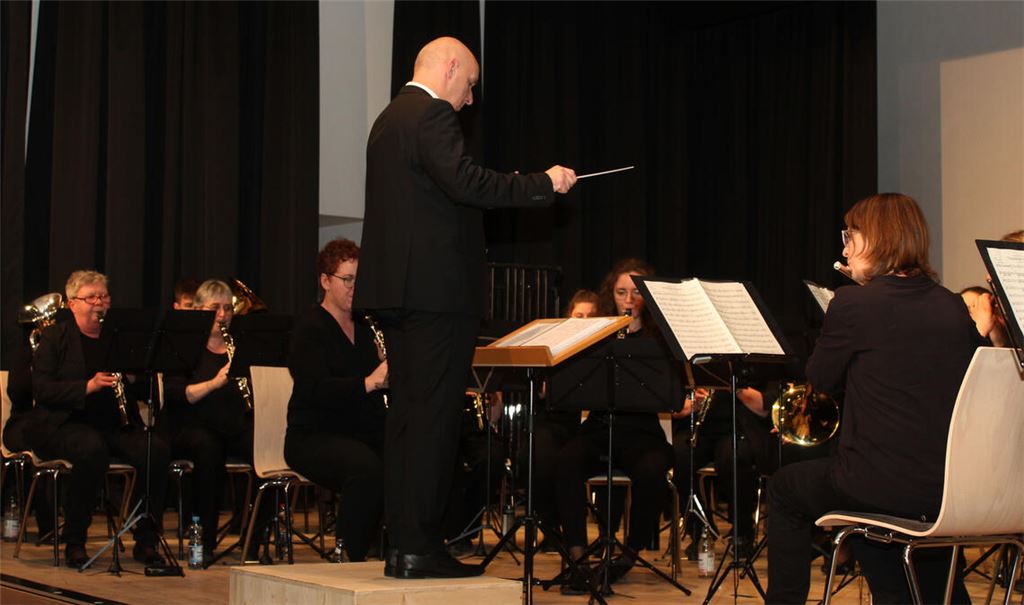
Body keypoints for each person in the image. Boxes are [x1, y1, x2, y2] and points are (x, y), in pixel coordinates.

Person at [353, 36, 577, 579]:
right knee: (432, 423)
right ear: (451, 68)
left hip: (400, 294)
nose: (470, 100)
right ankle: (419, 549)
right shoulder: (430, 114)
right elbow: (467, 182)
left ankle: (403, 542)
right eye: (470, 85)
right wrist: (540, 184)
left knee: (408, 420)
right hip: (434, 295)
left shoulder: (387, 120)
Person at [765, 193, 982, 604]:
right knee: (888, 517)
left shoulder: (854, 302)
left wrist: (853, 294)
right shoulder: (952, 306)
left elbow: (820, 379)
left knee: (784, 490)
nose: (844, 246)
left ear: (879, 239)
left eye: (851, 235)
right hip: (945, 490)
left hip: (879, 486)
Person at [28, 270, 171, 567]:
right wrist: (87, 386)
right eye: (91, 297)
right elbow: (42, 389)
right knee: (91, 449)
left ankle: (146, 540)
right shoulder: (56, 336)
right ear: (72, 304)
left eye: (103, 297)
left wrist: (133, 377)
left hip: (115, 424)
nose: (99, 303)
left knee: (155, 449)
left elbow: (150, 391)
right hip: (65, 424)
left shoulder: (119, 337)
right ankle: (75, 540)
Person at [553, 259, 673, 592]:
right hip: (600, 427)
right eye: (621, 292)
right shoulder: (598, 332)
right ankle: (578, 557)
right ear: (612, 295)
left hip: (642, 433)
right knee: (566, 462)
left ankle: (628, 555)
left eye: (637, 292)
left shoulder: (660, 337)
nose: (629, 299)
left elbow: (669, 394)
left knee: (653, 469)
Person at [285, 239, 387, 563]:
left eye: (359, 279)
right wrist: (368, 382)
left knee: (407, 455)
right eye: (348, 279)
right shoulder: (309, 328)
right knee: (366, 469)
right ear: (325, 281)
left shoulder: (365, 327)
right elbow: (315, 390)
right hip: (312, 436)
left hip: (355, 431)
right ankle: (348, 556)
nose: (354, 288)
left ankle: (396, 551)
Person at [162, 279, 268, 562]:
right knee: (209, 451)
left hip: (231, 424)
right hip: (190, 427)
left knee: (268, 453)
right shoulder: (183, 347)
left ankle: (253, 541)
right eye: (214, 308)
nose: (222, 315)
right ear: (198, 310)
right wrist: (215, 382)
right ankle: (204, 542)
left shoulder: (241, 346)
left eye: (227, 308)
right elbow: (177, 395)